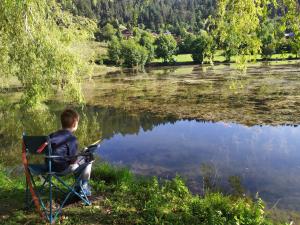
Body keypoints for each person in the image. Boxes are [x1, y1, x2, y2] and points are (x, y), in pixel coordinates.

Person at [49, 108, 93, 196]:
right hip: (62, 169)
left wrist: (80, 154)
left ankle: (78, 186)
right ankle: (83, 188)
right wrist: (83, 154)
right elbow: (73, 161)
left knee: (82, 159)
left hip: (49, 167)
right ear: (74, 123)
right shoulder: (71, 138)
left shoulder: (51, 135)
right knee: (89, 159)